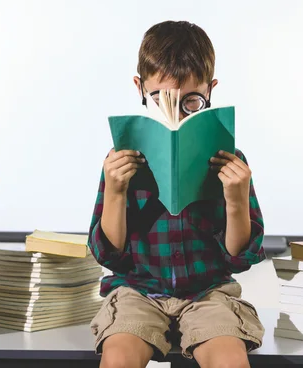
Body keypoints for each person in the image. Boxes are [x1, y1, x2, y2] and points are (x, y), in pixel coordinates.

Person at [88, 20, 266, 368]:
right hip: (138, 290)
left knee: (229, 359)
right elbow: (109, 255)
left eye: (192, 102)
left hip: (208, 293)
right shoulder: (121, 160)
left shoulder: (229, 160)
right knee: (119, 356)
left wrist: (235, 199)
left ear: (210, 90)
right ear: (140, 87)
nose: (177, 114)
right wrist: (115, 191)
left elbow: (240, 258)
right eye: (161, 99)